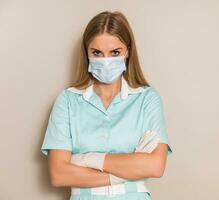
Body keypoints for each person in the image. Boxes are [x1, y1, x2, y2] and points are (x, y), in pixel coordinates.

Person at [40, 10, 173, 200]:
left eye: (115, 52)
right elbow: (59, 174)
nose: (106, 61)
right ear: (86, 52)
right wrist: (129, 168)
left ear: (127, 51)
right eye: (97, 53)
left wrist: (85, 159)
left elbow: (155, 166)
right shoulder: (67, 101)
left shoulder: (147, 99)